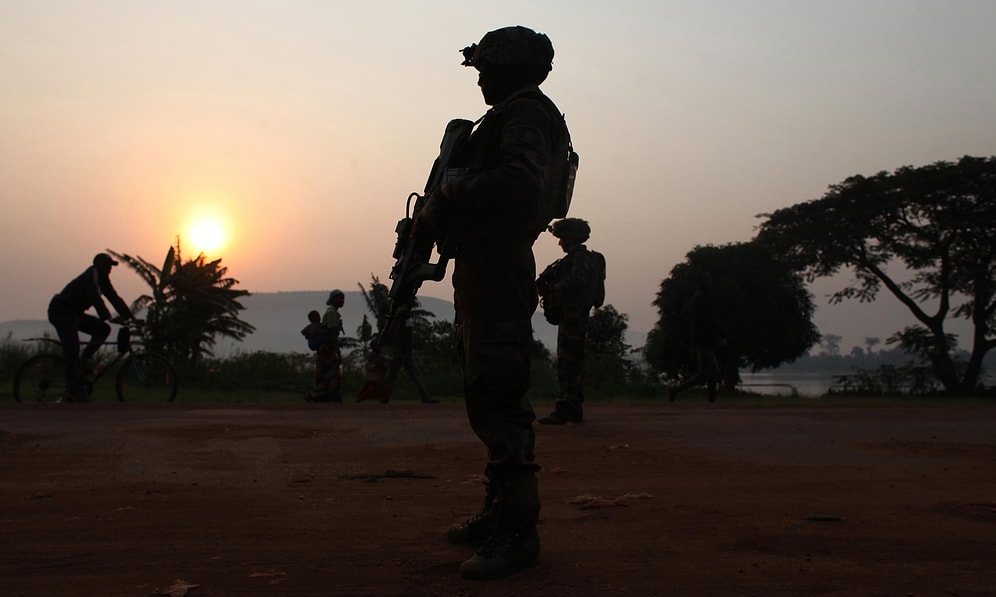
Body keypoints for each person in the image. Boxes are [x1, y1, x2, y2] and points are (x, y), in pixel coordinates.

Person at [418, 25, 571, 580]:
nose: (479, 76)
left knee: (500, 391)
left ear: (509, 67)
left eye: (485, 66)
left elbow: (520, 185)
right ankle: (499, 512)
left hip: (501, 264)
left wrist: (448, 195)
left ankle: (518, 531)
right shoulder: (509, 114)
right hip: (486, 264)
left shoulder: (526, 114)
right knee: (485, 387)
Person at [537, 218, 606, 425]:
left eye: (562, 238)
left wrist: (554, 288)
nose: (560, 243)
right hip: (573, 316)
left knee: (567, 365)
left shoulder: (580, 259)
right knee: (572, 364)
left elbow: (578, 280)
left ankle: (565, 408)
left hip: (573, 317)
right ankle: (573, 408)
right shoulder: (579, 258)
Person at [47, 253, 134, 402]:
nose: (109, 269)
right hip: (61, 312)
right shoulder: (91, 275)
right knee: (72, 349)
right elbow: (95, 297)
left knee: (103, 329)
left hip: (74, 314)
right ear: (99, 264)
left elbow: (114, 298)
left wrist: (131, 318)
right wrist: (108, 316)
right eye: (107, 266)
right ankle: (73, 391)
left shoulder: (103, 280)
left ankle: (82, 362)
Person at [666, 273, 727, 403]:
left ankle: (711, 401)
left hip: (704, 339)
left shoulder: (702, 298)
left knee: (713, 373)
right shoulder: (701, 299)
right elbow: (708, 320)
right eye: (708, 281)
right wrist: (721, 335)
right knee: (705, 372)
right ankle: (675, 390)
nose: (710, 284)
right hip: (703, 340)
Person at [383, 302, 438, 404]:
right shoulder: (403, 314)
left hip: (402, 351)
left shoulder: (402, 313)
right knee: (412, 375)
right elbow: (400, 334)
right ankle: (425, 398)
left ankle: (384, 397)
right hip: (403, 351)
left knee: (394, 375)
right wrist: (401, 350)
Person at [307, 289, 345, 403]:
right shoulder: (332, 313)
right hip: (328, 348)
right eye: (340, 299)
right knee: (331, 373)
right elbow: (332, 332)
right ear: (334, 300)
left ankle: (325, 396)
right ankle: (319, 395)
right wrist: (337, 350)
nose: (343, 301)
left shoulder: (332, 312)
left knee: (327, 372)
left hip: (326, 348)